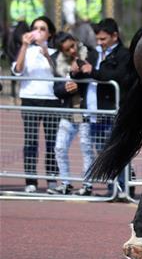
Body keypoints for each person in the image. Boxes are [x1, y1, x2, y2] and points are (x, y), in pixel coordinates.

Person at [85, 17, 134, 198]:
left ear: (115, 36)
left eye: (103, 39)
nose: (100, 43)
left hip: (116, 109)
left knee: (118, 149)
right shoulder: (95, 53)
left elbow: (119, 76)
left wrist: (93, 72)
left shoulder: (124, 54)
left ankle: (123, 186)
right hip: (98, 110)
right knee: (102, 149)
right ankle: (113, 185)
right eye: (98, 39)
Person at [12, 15, 61, 192]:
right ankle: (31, 181)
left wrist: (47, 54)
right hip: (30, 98)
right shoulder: (27, 50)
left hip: (51, 100)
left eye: (42, 29)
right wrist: (25, 45)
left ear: (49, 34)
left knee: (52, 142)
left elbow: (59, 72)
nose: (38, 32)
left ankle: (52, 180)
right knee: (31, 140)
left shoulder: (55, 52)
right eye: (35, 28)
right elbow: (17, 70)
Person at [51, 32, 98, 195]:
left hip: (86, 110)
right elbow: (56, 89)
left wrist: (75, 76)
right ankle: (65, 183)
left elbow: (91, 74)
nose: (72, 50)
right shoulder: (58, 62)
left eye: (73, 45)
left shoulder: (90, 53)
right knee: (60, 147)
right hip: (69, 111)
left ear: (76, 41)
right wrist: (65, 88)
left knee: (86, 147)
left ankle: (87, 184)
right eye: (67, 49)